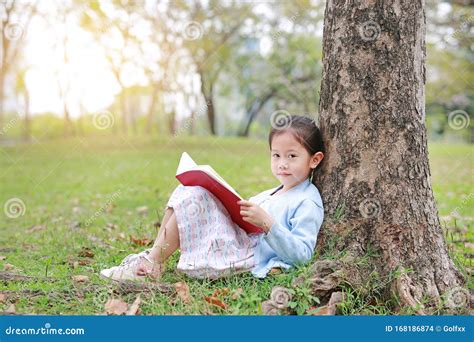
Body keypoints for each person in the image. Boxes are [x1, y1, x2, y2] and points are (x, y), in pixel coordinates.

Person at [100, 115, 325, 281]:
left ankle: (150, 265)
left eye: (292, 156)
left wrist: (267, 224)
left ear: (314, 160)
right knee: (187, 191)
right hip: (239, 240)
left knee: (195, 197)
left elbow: (303, 254)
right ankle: (152, 260)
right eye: (276, 155)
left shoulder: (307, 200)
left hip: (246, 253)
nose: (282, 163)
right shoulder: (273, 192)